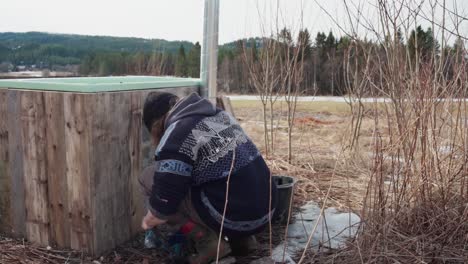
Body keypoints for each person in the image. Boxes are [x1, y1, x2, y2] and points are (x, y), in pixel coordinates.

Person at [139, 92, 277, 264]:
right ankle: (243, 240)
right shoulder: (219, 115)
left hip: (233, 218)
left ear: (156, 125)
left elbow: (163, 202)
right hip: (264, 212)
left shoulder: (178, 132)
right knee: (220, 181)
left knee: (148, 178)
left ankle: (208, 242)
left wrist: (149, 219)